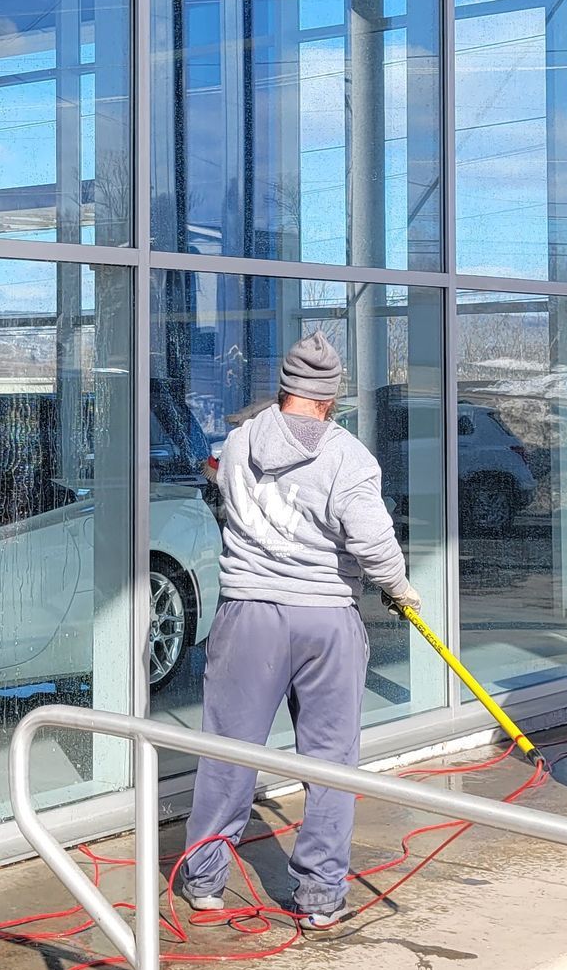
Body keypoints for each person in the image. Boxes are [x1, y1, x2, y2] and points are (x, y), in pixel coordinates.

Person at [178, 330, 419, 929]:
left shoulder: (237, 444)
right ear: (329, 398)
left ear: (284, 389)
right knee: (330, 761)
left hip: (248, 614)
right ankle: (319, 897)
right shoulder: (348, 456)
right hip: (325, 615)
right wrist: (399, 587)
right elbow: (371, 539)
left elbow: (219, 484)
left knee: (228, 749)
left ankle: (205, 882)